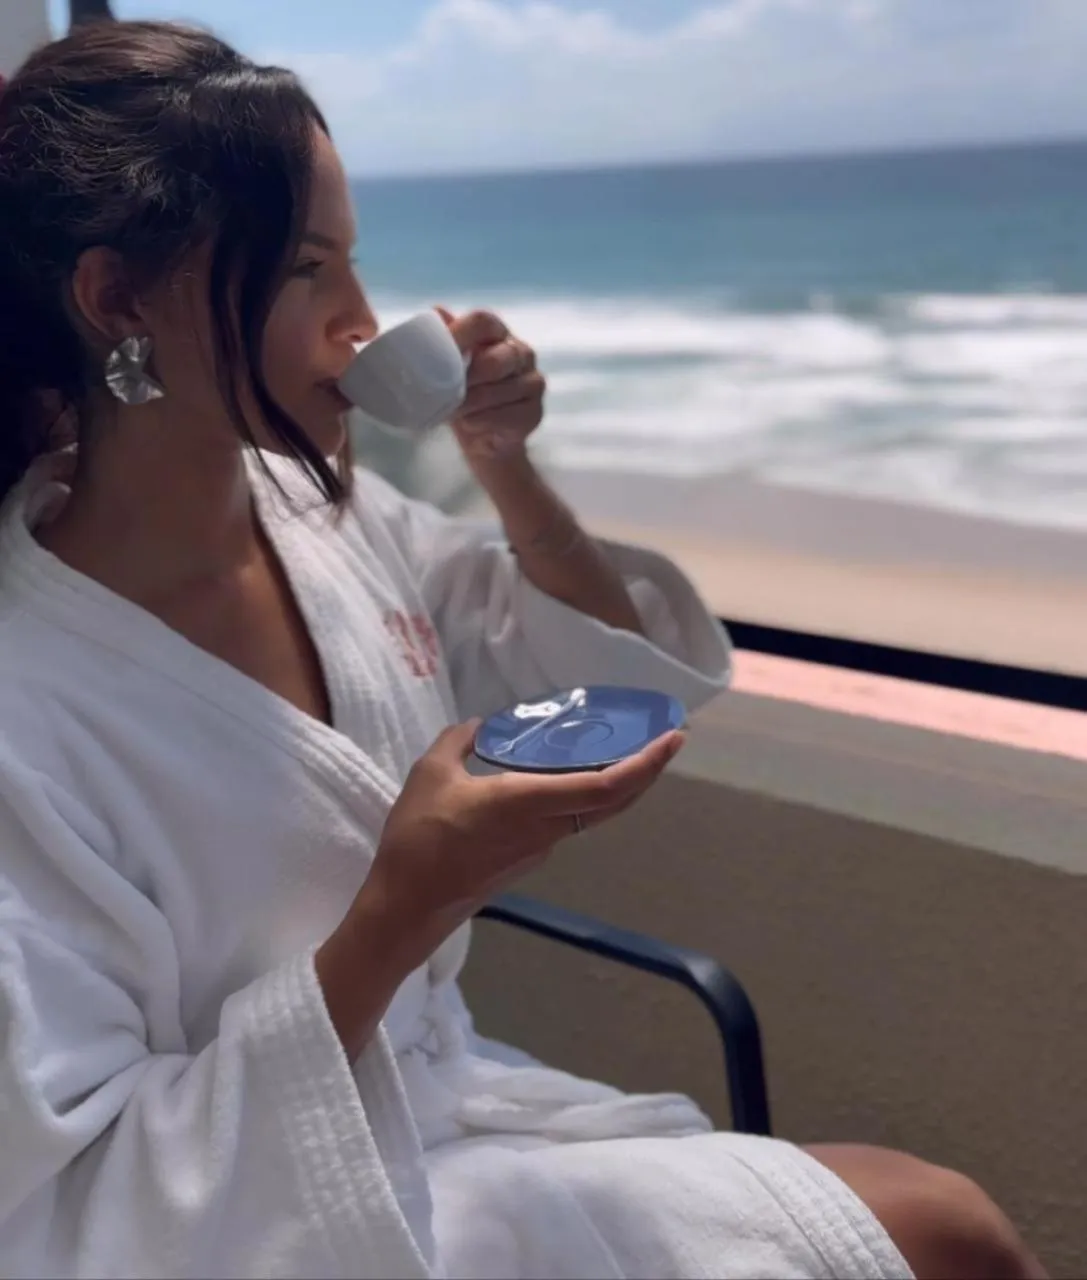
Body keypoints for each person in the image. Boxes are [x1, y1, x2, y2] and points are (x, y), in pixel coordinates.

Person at [0, 20, 1044, 1280]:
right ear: (117, 299)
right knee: (942, 1226)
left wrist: (508, 469)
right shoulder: (31, 703)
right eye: (303, 271)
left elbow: (599, 675)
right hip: (281, 1211)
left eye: (358, 265)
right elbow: (78, 1211)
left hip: (456, 1112)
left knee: (948, 1221)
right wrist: (403, 904)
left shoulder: (322, 519)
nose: (363, 324)